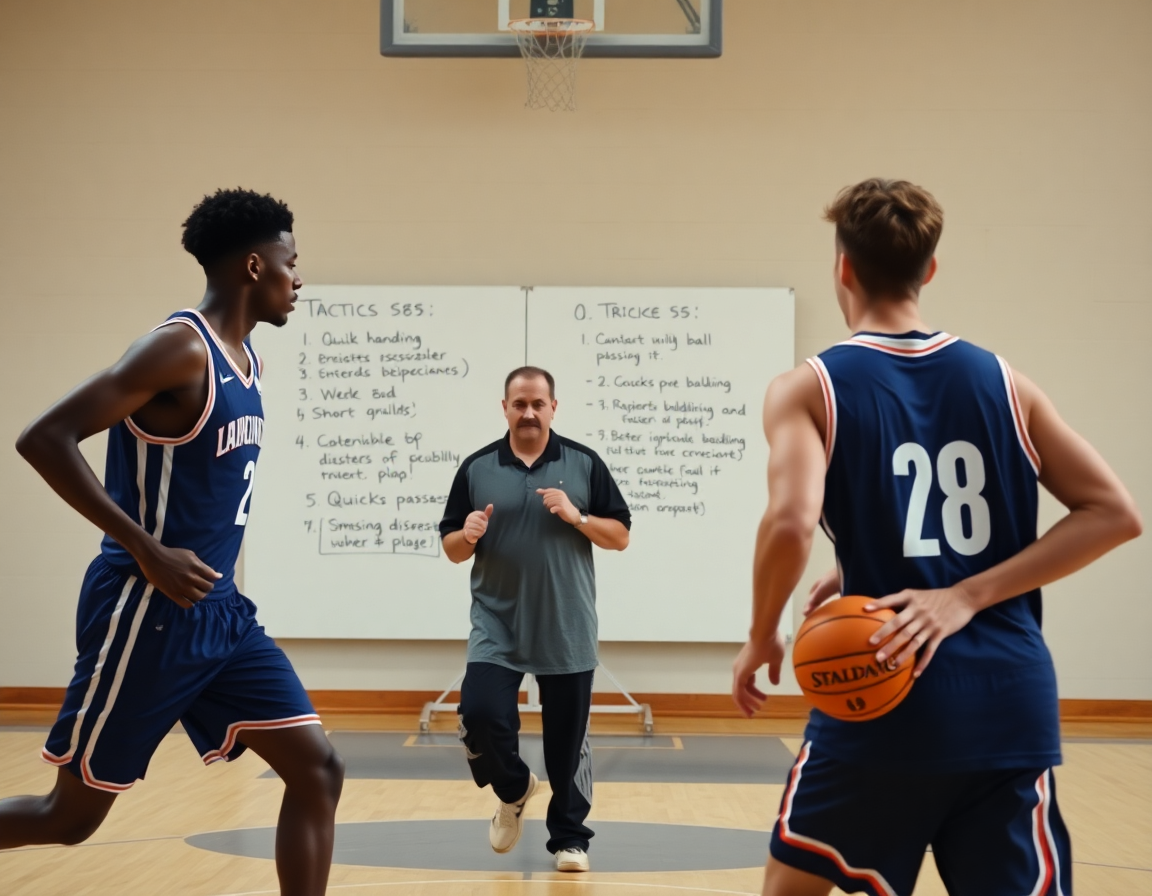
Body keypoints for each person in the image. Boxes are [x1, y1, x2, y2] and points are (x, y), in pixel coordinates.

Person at [731, 178, 1142, 896]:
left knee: (792, 888)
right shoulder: (1005, 381)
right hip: (1008, 700)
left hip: (883, 689)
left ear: (843, 268)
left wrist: (763, 631)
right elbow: (1115, 512)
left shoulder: (809, 386)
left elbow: (792, 521)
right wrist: (960, 591)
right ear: (930, 269)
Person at [0, 189, 345, 896]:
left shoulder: (245, 358)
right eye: (291, 262)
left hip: (219, 613)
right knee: (70, 817)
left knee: (317, 769)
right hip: (145, 608)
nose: (299, 279)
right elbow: (44, 438)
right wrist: (147, 548)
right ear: (255, 265)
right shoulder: (177, 349)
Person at [439, 366, 631, 873]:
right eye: (519, 403)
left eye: (537, 404)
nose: (528, 412)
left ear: (553, 407)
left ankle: (570, 838)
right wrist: (470, 534)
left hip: (565, 626)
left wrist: (578, 517)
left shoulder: (584, 464)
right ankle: (514, 788)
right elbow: (452, 549)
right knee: (479, 715)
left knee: (567, 744)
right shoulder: (477, 467)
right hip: (496, 626)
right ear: (504, 407)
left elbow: (620, 536)